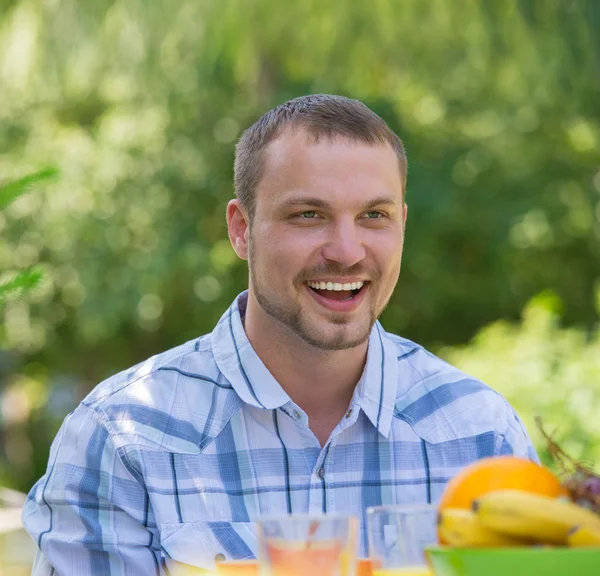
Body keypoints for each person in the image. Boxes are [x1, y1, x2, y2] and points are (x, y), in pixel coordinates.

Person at [23, 95, 538, 575]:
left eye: (373, 216)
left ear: (402, 224)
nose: (346, 250)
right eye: (308, 215)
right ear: (241, 229)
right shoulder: (121, 439)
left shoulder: (481, 436)